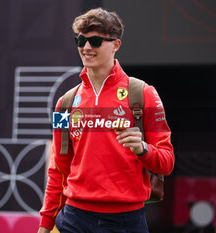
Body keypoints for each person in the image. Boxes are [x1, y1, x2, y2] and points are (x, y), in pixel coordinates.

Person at [38, 8, 175, 233]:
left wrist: (142, 148)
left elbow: (167, 162)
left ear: (116, 45)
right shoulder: (65, 103)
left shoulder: (143, 94)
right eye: (81, 40)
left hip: (126, 221)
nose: (86, 48)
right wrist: (45, 224)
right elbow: (58, 168)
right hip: (74, 218)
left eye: (95, 41)